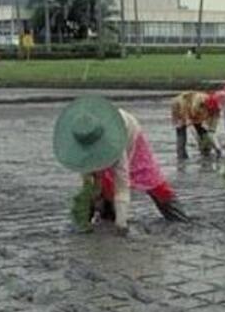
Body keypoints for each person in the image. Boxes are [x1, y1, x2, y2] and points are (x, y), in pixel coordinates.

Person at [53, 96, 189, 235]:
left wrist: (121, 226)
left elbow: (122, 187)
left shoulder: (115, 142)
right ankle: (102, 218)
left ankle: (179, 219)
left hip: (130, 135)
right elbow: (88, 178)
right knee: (99, 186)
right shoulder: (80, 131)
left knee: (152, 179)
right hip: (94, 139)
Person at [171, 90, 225, 159]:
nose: (216, 111)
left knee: (204, 133)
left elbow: (211, 131)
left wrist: (218, 149)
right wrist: (199, 141)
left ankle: (205, 153)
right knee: (181, 132)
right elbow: (190, 125)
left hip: (197, 112)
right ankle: (181, 157)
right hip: (180, 105)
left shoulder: (216, 112)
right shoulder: (199, 101)